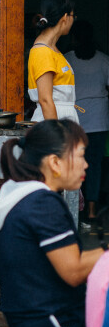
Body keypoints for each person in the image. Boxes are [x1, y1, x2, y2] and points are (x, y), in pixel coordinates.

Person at [0, 119, 98, 327]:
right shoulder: (41, 203)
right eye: (80, 156)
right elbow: (74, 270)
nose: (86, 165)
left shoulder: (21, 195)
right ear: (55, 162)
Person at [64, 20, 109, 222]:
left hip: (75, 120)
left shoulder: (66, 60)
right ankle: (91, 209)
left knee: (73, 163)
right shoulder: (104, 60)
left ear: (74, 38)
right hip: (99, 120)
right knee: (95, 165)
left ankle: (74, 208)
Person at [28, 0, 78, 122]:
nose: (74, 20)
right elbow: (45, 100)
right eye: (73, 16)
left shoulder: (52, 49)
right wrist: (56, 135)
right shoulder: (43, 51)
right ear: (65, 17)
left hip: (63, 120)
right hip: (52, 122)